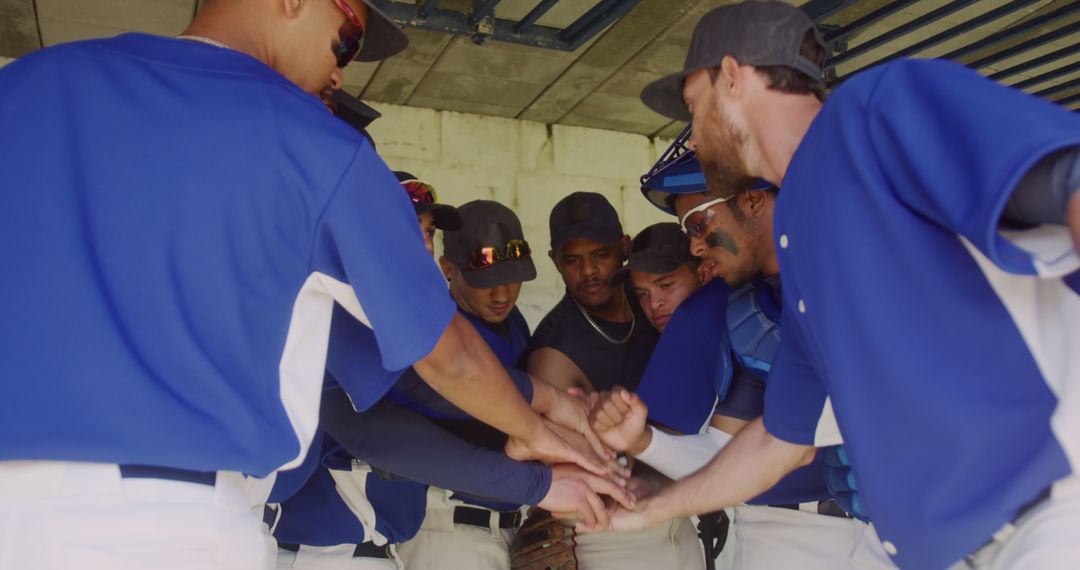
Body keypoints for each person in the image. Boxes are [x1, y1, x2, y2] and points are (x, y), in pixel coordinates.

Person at [0, 1, 602, 568]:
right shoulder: (317, 142)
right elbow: (447, 362)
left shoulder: (26, 86)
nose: (342, 73)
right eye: (348, 40)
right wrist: (540, 441)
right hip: (169, 526)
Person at [610, 2, 1080, 568]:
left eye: (693, 105)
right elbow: (782, 441)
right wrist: (649, 509)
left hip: (1049, 519)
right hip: (945, 550)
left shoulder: (876, 113)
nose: (695, 134)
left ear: (732, 78)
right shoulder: (803, 250)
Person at [595, 152, 894, 569]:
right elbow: (741, 449)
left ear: (754, 200)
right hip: (812, 537)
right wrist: (643, 443)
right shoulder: (752, 309)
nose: (696, 246)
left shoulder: (867, 272)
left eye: (700, 223)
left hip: (953, 525)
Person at [520, 192, 702, 570]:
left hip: (680, 522)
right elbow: (561, 466)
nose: (588, 271)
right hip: (607, 537)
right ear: (555, 262)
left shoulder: (651, 303)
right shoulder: (554, 350)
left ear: (623, 248)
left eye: (600, 255)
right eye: (572, 260)